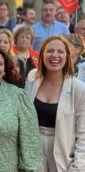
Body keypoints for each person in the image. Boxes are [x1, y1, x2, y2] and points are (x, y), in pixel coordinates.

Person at [25, 36, 85, 171]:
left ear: (67, 56)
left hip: (64, 156)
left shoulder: (79, 89)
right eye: (50, 51)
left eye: (60, 51)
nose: (55, 55)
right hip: (32, 153)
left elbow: (83, 136)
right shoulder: (32, 78)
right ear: (42, 55)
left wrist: (77, 168)